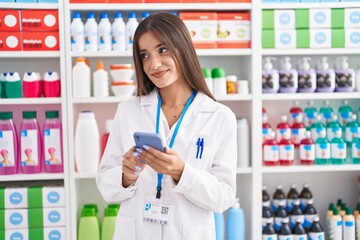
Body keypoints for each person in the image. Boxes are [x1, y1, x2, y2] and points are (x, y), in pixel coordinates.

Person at [96, 12, 237, 240]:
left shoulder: (219, 117)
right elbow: (105, 186)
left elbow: (224, 197)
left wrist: (181, 172)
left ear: (182, 47)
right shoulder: (128, 111)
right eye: (144, 55)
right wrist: (126, 175)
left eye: (163, 50)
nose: (154, 64)